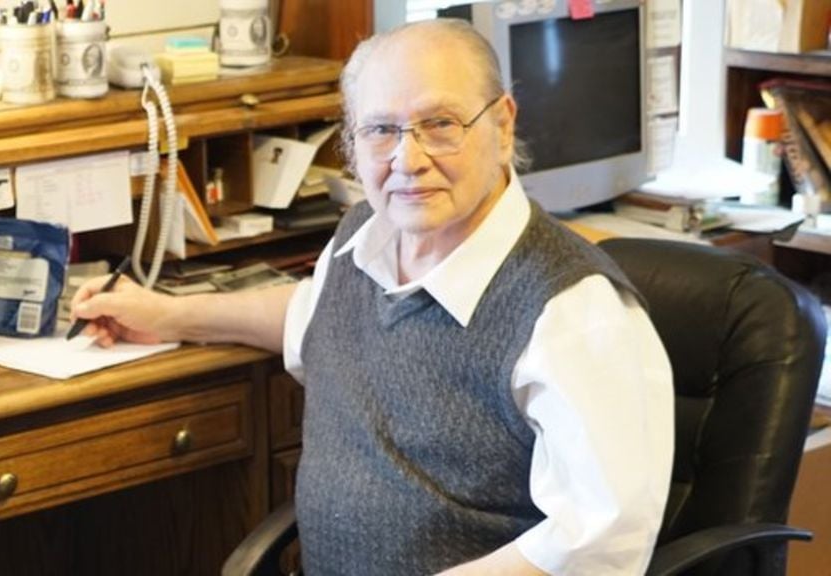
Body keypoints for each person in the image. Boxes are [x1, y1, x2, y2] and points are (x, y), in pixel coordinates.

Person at [71, 18, 673, 576]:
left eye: (441, 124)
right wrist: (166, 314)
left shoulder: (575, 311)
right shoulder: (364, 237)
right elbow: (313, 317)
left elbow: (598, 544)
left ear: (503, 123)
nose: (408, 160)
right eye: (381, 130)